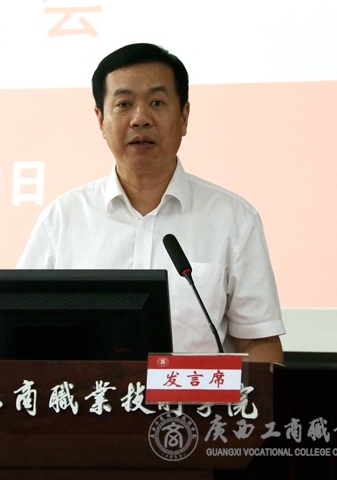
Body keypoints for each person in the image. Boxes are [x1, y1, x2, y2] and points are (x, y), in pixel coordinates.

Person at [17, 43, 285, 363]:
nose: (140, 119)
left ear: (184, 116)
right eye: (124, 104)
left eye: (157, 103)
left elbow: (259, 343)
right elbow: (20, 331)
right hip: (91, 395)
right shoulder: (62, 219)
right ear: (100, 120)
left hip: (193, 396)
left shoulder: (233, 218)